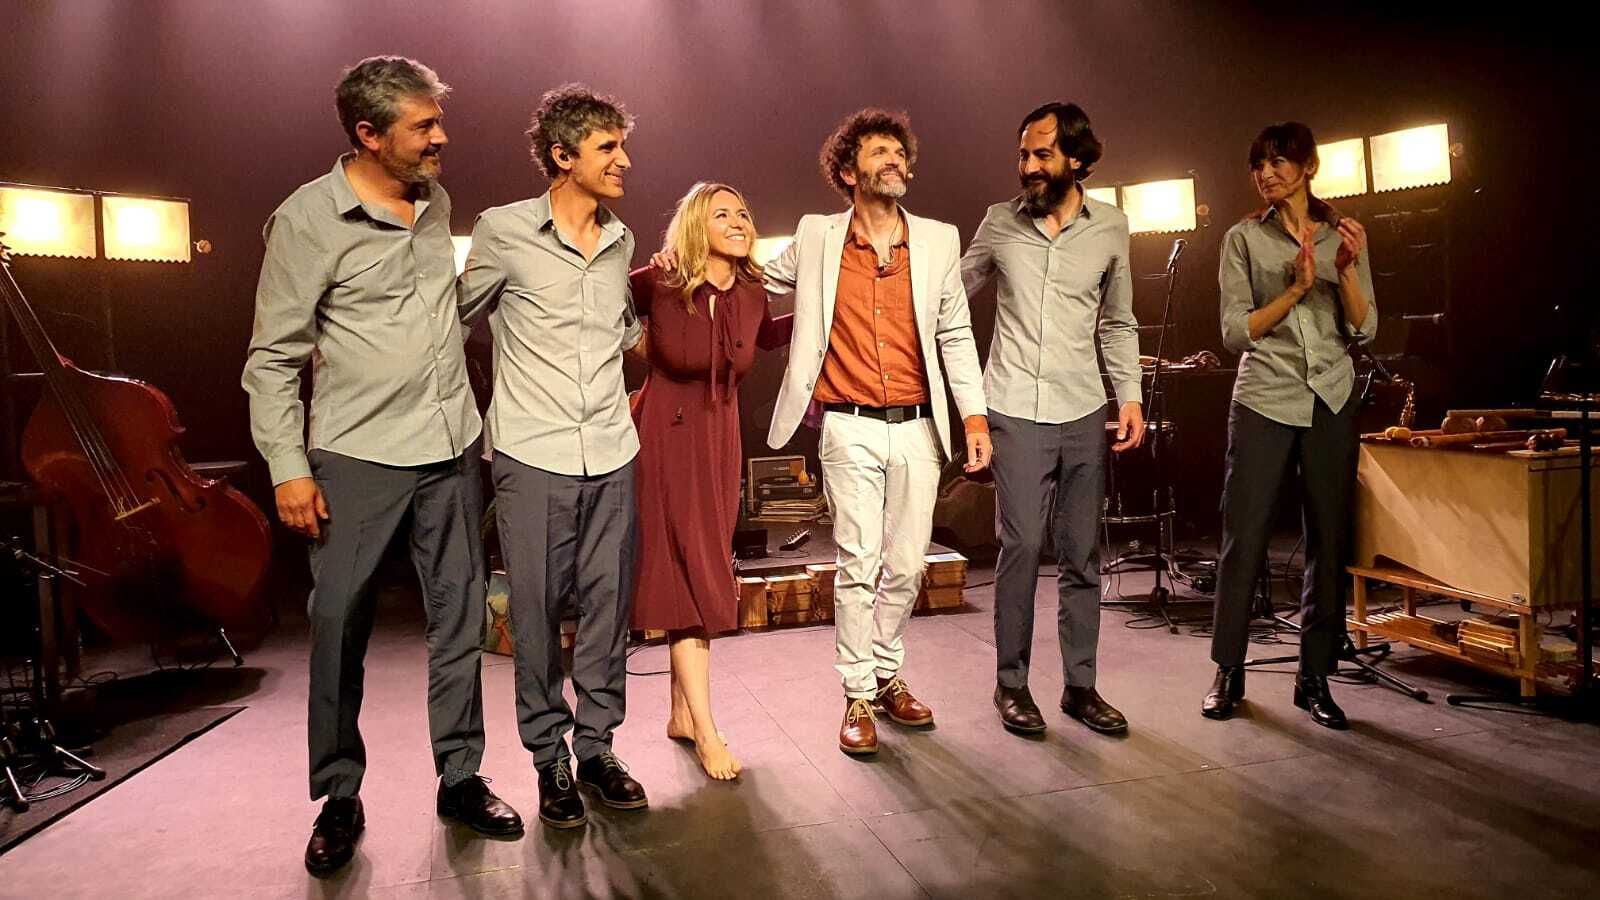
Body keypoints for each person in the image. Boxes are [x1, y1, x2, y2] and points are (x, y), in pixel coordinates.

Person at [242, 56, 521, 876]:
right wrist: (289, 468)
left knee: (459, 619)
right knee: (337, 629)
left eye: (438, 121)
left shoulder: (433, 203)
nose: (441, 138)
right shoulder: (305, 221)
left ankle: (461, 776)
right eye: (423, 126)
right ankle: (339, 795)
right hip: (356, 454)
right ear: (367, 134)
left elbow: (439, 311)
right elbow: (272, 358)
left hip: (449, 449)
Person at [762, 108, 990, 757]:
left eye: (899, 151)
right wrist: (693, 253)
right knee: (858, 562)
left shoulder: (940, 240)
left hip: (919, 424)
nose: (892, 159)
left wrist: (974, 414)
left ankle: (887, 672)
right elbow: (753, 276)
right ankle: (858, 693)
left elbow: (954, 333)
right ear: (846, 169)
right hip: (848, 424)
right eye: (877, 151)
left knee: (909, 565)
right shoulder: (816, 236)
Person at [458, 84, 648, 829]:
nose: (623, 160)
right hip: (531, 452)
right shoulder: (502, 231)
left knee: (608, 611)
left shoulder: (624, 242)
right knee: (534, 616)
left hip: (611, 448)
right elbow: (454, 319)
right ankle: (549, 759)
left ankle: (597, 748)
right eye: (608, 148)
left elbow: (630, 333)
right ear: (561, 157)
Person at [961, 101, 1144, 738]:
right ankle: (1011, 684)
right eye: (1023, 155)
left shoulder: (1111, 227)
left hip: (1085, 408)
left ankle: (1081, 687)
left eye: (1042, 155)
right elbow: (952, 296)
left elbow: (1119, 321)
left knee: (1082, 554)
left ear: (1076, 159)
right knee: (1021, 547)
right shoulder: (998, 223)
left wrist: (1130, 395)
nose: (1028, 167)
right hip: (1012, 406)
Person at [1202, 121, 1375, 729]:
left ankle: (1315, 677)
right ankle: (1228, 669)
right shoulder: (1242, 239)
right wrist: (1298, 290)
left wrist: (1345, 271)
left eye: (1278, 161)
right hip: (1264, 396)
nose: (1266, 173)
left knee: (1329, 540)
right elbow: (1232, 333)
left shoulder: (1342, 235)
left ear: (1307, 166)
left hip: (1329, 396)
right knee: (1243, 536)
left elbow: (1365, 327)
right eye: (1258, 165)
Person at [628, 182, 792, 781]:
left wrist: (834, 306)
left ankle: (677, 711)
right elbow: (600, 300)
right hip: (666, 437)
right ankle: (706, 729)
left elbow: (769, 338)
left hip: (720, 439)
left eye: (744, 212)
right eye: (721, 213)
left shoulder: (752, 292)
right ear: (696, 226)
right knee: (690, 573)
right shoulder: (660, 281)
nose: (738, 220)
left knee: (701, 561)